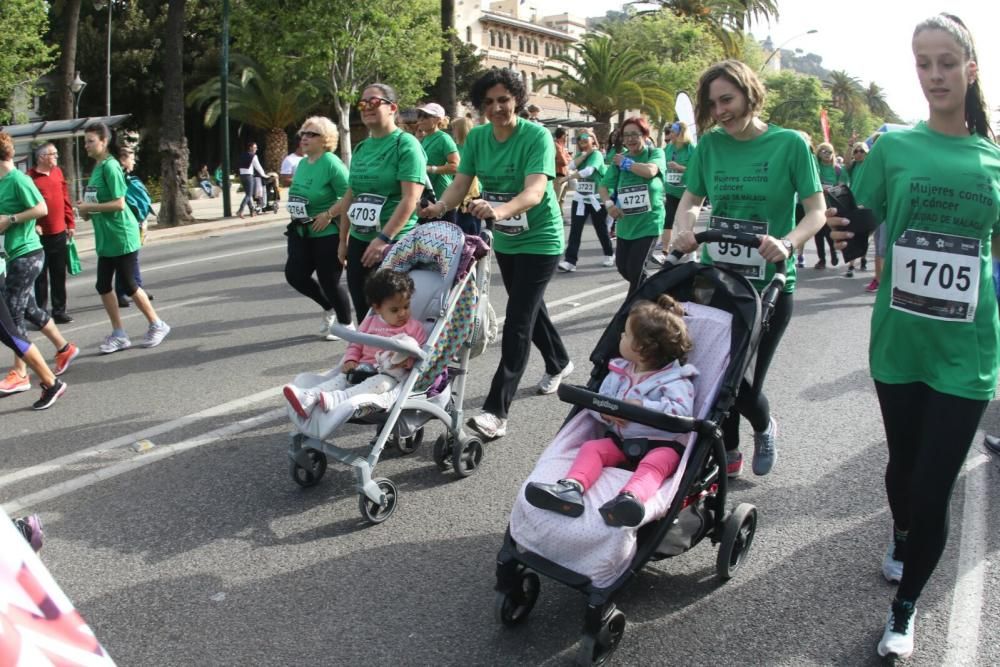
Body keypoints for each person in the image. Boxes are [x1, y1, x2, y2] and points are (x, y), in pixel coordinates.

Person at [828, 14, 999, 660]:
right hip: (899, 345)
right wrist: (841, 228)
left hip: (968, 351)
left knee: (933, 488)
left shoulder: (994, 160)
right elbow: (854, 207)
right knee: (903, 474)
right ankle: (902, 533)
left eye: (947, 62)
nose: (935, 75)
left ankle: (905, 610)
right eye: (923, 63)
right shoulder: (894, 149)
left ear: (970, 69)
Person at [672, 60, 826, 478]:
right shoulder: (711, 145)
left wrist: (788, 243)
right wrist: (683, 230)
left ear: (749, 94)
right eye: (713, 103)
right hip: (717, 276)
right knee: (712, 372)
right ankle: (730, 450)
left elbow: (817, 212)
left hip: (770, 282)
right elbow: (690, 201)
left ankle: (764, 424)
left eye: (728, 99)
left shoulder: (790, 144)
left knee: (743, 382)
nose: (721, 110)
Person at [419, 67, 573, 439]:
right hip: (506, 238)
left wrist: (499, 211)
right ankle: (560, 361)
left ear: (516, 99)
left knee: (518, 318)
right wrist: (438, 208)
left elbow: (536, 191)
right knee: (530, 306)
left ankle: (495, 411)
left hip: (541, 237)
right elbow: (460, 184)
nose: (497, 108)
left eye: (503, 99)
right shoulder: (478, 138)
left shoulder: (536, 136)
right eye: (488, 102)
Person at [524, 294, 697, 527]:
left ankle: (629, 499)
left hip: (662, 443)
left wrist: (644, 407)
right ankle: (572, 487)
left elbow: (680, 412)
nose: (621, 337)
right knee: (592, 448)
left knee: (656, 463)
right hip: (619, 441)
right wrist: (603, 412)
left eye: (626, 334)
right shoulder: (619, 372)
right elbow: (600, 400)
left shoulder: (675, 381)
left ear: (641, 348)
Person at [77, 123, 170, 354]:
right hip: (106, 237)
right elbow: (97, 202)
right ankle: (119, 333)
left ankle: (157, 324)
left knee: (129, 285)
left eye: (90, 141)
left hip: (121, 234)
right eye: (85, 141)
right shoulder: (98, 167)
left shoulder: (110, 167)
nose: (86, 145)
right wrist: (86, 210)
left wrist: (90, 206)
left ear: (104, 142)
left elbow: (119, 203)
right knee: (103, 285)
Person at [283, 269, 427, 417]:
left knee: (380, 384)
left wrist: (406, 362)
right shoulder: (371, 322)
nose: (403, 313)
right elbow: (356, 344)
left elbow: (419, 354)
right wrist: (351, 359)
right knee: (341, 378)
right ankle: (309, 396)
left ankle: (337, 399)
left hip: (389, 375)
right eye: (395, 310)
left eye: (406, 306)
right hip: (362, 368)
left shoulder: (414, 328)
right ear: (377, 308)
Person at [337, 83, 427, 320]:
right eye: (363, 103)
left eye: (374, 102)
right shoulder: (361, 148)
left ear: (392, 108)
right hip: (360, 241)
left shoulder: (406, 144)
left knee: (392, 316)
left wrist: (383, 239)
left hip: (393, 242)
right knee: (366, 314)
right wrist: (343, 240)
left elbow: (411, 198)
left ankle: (398, 357)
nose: (367, 107)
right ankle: (373, 358)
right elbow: (351, 195)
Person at [0, 132, 79, 398]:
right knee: (30, 308)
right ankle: (63, 347)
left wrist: (9, 220)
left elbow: (41, 209)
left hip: (28, 252)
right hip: (15, 253)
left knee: (13, 314)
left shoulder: (18, 179)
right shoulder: (3, 181)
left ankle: (20, 373)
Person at [284, 116, 354, 341]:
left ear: (325, 139)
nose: (304, 138)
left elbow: (350, 194)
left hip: (327, 232)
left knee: (329, 281)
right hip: (301, 230)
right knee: (295, 275)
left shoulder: (331, 163)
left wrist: (329, 214)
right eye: (303, 134)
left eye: (311, 134)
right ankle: (328, 307)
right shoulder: (303, 163)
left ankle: (346, 324)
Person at [598, 117, 667, 296]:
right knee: (624, 268)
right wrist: (609, 205)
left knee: (636, 270)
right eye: (626, 135)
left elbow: (650, 171)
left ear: (644, 135)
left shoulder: (655, 153)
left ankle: (630, 312)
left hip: (649, 223)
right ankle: (659, 293)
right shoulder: (619, 160)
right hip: (625, 224)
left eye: (635, 134)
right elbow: (603, 186)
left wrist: (626, 164)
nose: (630, 139)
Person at [29, 143, 76, 324]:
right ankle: (41, 313)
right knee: (40, 276)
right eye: (52, 154)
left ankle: (59, 311)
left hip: (59, 232)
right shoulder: (30, 178)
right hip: (39, 235)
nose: (56, 156)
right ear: (41, 157)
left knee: (59, 274)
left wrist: (70, 223)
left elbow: (65, 199)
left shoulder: (57, 172)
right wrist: (33, 224)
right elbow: (26, 205)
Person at [558, 131, 614, 272]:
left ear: (593, 139)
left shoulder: (597, 155)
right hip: (580, 199)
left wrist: (567, 178)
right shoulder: (581, 155)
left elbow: (588, 171)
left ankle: (609, 253)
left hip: (596, 199)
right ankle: (570, 261)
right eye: (579, 138)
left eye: (585, 137)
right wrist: (583, 155)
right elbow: (570, 166)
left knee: (601, 229)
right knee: (575, 230)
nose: (581, 140)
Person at [115, 146, 153, 309]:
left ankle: (136, 287)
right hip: (124, 223)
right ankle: (121, 292)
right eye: (131, 158)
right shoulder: (119, 178)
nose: (134, 161)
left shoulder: (128, 177)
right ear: (123, 160)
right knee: (123, 258)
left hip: (135, 222)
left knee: (132, 257)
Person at [416, 102, 460, 223]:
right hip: (426, 196)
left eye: (425, 116)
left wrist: (430, 169)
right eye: (419, 115)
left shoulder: (444, 138)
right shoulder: (423, 139)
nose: (420, 120)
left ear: (437, 119)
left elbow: (456, 166)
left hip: (442, 197)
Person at [661, 121, 695, 252]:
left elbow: (696, 170)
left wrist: (679, 168)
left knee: (684, 223)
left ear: (681, 134)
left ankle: (690, 251)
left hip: (686, 192)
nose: (670, 134)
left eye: (673, 132)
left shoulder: (691, 149)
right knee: (667, 220)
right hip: (671, 191)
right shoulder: (668, 148)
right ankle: (665, 249)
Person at [813, 141, 847, 271]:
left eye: (830, 152)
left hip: (831, 206)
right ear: (819, 153)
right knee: (818, 233)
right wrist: (820, 188)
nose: (827, 154)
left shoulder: (838, 169)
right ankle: (821, 259)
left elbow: (843, 186)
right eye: (824, 151)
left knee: (829, 232)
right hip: (817, 204)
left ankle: (833, 254)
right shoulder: (816, 167)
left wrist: (832, 190)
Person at [450, 116, 482, 235]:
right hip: (457, 190)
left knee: (471, 225)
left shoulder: (472, 148)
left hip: (472, 192)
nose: (453, 131)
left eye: (454, 128)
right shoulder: (454, 147)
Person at [236, 141, 267, 219]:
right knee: (249, 194)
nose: (256, 149)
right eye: (255, 147)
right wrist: (264, 175)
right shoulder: (253, 156)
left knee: (247, 194)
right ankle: (240, 210)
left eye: (256, 147)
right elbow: (258, 167)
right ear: (250, 148)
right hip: (249, 176)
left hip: (242, 176)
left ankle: (252, 211)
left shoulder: (242, 155)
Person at [553, 127, 572, 207]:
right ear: (563, 136)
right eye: (567, 135)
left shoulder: (563, 147)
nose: (567, 137)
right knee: (556, 200)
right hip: (558, 176)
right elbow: (564, 162)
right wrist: (567, 159)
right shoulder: (556, 146)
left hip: (565, 176)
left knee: (562, 200)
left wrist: (567, 159)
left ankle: (561, 217)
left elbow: (570, 160)